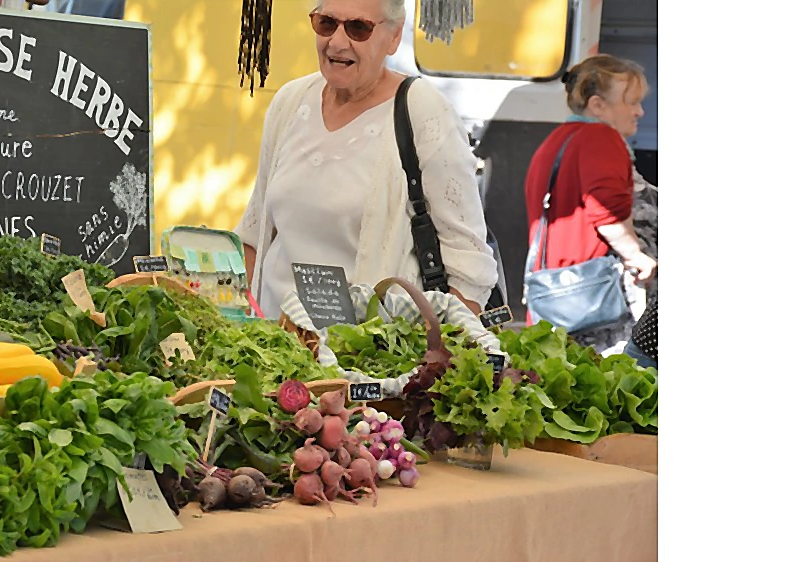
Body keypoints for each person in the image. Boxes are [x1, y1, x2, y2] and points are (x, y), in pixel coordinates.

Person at [235, 0, 498, 320]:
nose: (337, 42)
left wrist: (439, 356)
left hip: (370, 362)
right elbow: (254, 236)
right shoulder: (289, 103)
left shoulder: (424, 112)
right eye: (326, 23)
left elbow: (468, 263)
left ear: (394, 36)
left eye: (358, 28)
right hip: (277, 350)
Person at [523, 54, 656, 354]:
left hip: (556, 293)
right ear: (598, 105)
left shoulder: (557, 140)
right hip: (593, 300)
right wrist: (637, 256)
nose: (639, 111)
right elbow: (606, 213)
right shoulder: (601, 138)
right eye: (631, 102)